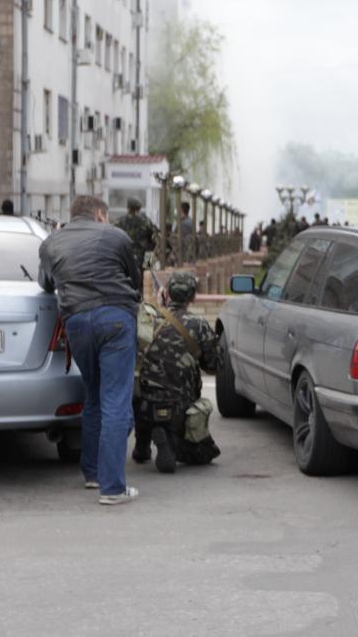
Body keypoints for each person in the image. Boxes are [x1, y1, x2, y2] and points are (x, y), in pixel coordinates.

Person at [39, 195, 142, 506]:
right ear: (100, 214)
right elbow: (134, 281)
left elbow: (46, 284)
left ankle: (93, 473)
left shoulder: (51, 242)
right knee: (116, 400)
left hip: (77, 323)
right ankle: (112, 487)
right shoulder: (116, 235)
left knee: (94, 395)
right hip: (115, 320)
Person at [133, 272, 221, 473]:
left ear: (168, 295)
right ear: (193, 298)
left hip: (144, 403)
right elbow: (214, 365)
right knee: (203, 454)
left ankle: (142, 445)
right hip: (180, 404)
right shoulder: (198, 325)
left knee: (144, 386)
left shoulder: (151, 319)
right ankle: (171, 442)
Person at [115, 197, 158, 272]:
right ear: (139, 208)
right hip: (143, 256)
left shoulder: (119, 221)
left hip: (125, 255)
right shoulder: (146, 221)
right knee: (146, 277)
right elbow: (154, 237)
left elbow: (114, 238)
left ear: (128, 208)